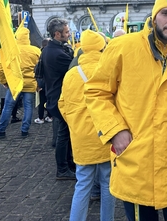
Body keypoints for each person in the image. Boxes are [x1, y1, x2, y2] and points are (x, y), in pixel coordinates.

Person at [85, 0, 167, 221]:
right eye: (166, 13)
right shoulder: (123, 47)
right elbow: (96, 92)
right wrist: (115, 131)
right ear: (154, 16)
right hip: (136, 164)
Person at [59, 29, 115, 221]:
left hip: (81, 137)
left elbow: (62, 104)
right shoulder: (108, 69)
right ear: (102, 47)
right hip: (106, 133)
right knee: (108, 183)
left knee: (82, 184)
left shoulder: (71, 75)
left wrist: (75, 123)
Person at [0, 27, 40, 138]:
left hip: (14, 83)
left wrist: (4, 81)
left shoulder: (10, 50)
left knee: (8, 107)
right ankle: (24, 131)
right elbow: (41, 68)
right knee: (28, 107)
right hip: (30, 83)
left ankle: (1, 131)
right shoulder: (36, 51)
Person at [42, 18, 75, 180]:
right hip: (59, 98)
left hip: (53, 96)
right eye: (67, 32)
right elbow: (75, 70)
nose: (69, 35)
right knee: (63, 134)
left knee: (66, 133)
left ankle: (68, 164)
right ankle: (62, 168)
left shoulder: (49, 49)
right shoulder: (57, 53)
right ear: (57, 34)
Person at [34, 38, 52, 124]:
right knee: (49, 99)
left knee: (41, 101)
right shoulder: (51, 52)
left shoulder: (40, 53)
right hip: (50, 80)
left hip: (41, 80)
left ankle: (41, 118)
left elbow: (37, 69)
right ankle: (50, 116)